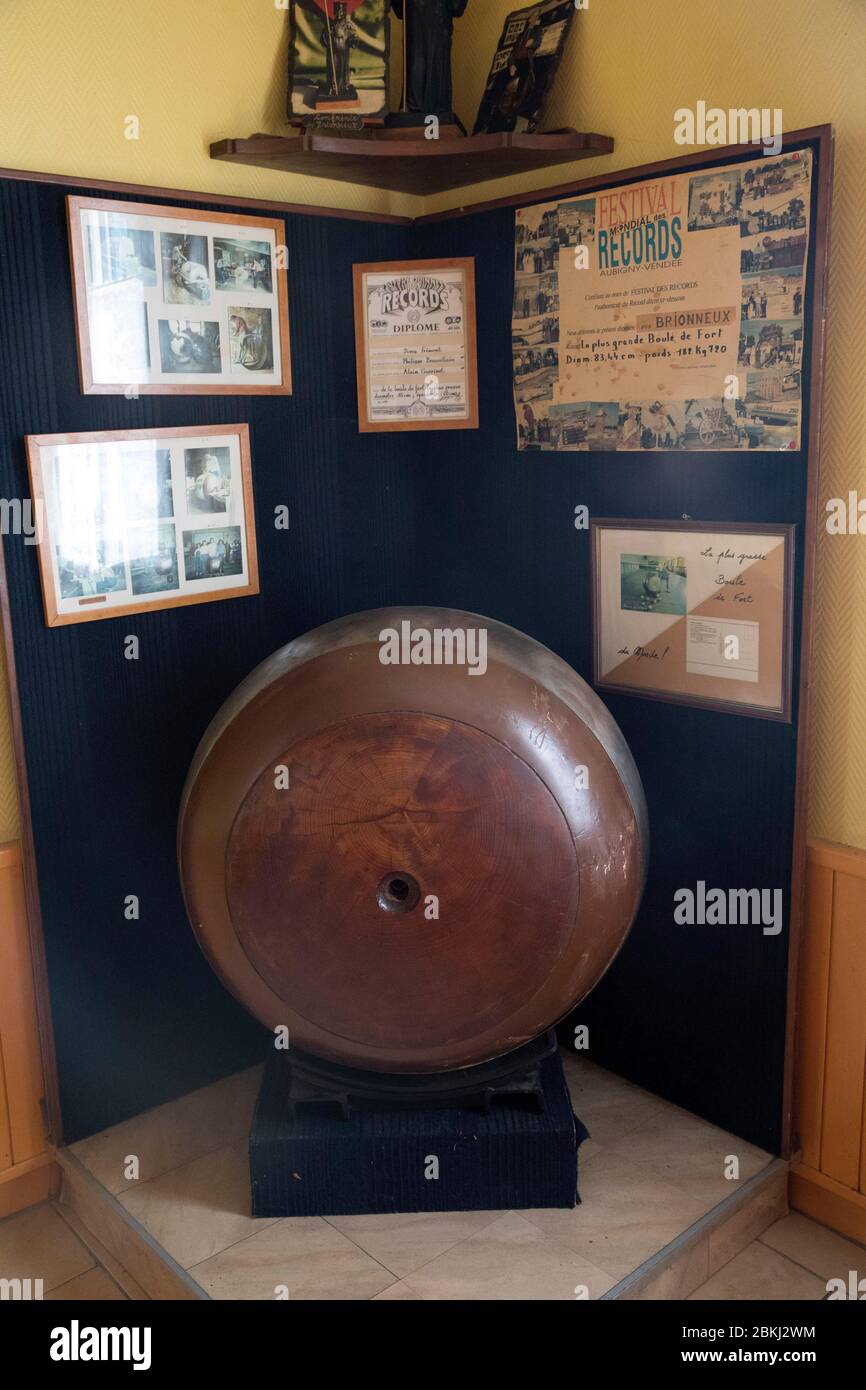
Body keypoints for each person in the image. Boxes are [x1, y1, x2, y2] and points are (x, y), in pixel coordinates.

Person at [391, 1, 468, 116]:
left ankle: (421, 109)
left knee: (429, 63)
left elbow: (456, 7)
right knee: (418, 62)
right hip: (420, 22)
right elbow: (400, 10)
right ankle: (418, 108)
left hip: (437, 22)